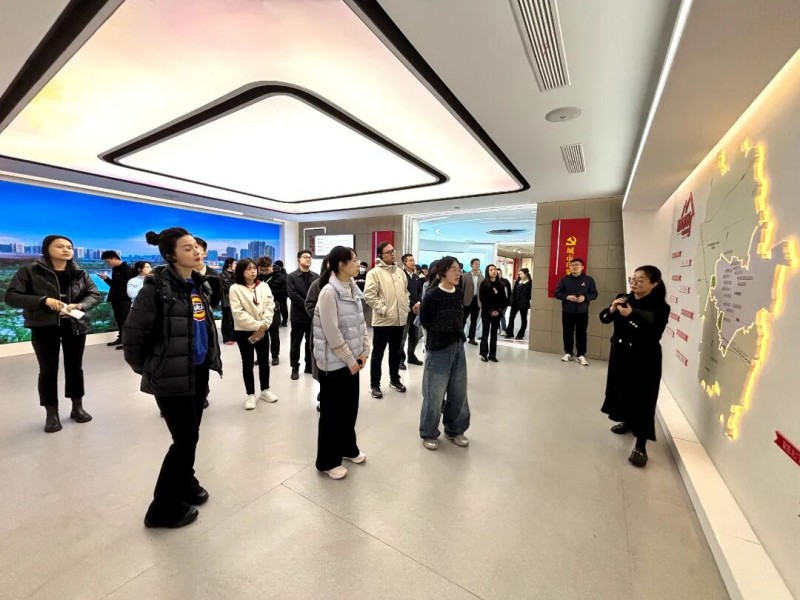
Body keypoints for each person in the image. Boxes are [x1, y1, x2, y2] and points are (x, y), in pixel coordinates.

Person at [122, 228, 222, 529]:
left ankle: (185, 483)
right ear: (171, 255)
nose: (197, 252)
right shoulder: (155, 289)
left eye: (197, 247)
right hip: (170, 374)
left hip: (197, 369)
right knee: (185, 438)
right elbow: (133, 337)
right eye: (188, 248)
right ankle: (161, 509)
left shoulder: (199, 284)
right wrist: (151, 369)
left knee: (191, 434)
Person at [5, 235, 102, 432]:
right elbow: (11, 296)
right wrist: (43, 301)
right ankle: (52, 413)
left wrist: (80, 305)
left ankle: (77, 407)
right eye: (60, 246)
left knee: (75, 368)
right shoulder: (30, 270)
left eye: (69, 247)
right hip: (43, 326)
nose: (66, 250)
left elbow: (94, 294)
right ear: (47, 249)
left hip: (74, 325)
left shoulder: (79, 272)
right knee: (48, 370)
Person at [600, 266, 670, 468]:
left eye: (640, 280)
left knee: (643, 399)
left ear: (654, 284)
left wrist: (631, 316)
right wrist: (612, 309)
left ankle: (641, 445)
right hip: (620, 355)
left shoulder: (660, 307)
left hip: (644, 358)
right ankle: (628, 422)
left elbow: (653, 335)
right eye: (633, 278)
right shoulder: (623, 298)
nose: (634, 283)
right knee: (621, 391)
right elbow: (604, 318)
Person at [312, 246, 370, 480]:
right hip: (334, 363)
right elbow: (331, 332)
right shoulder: (328, 292)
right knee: (332, 414)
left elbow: (361, 323)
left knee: (349, 409)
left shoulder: (353, 288)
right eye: (353, 260)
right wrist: (349, 359)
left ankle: (347, 448)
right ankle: (327, 461)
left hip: (353, 361)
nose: (358, 264)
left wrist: (364, 351)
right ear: (340, 265)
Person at [418, 256, 470, 450]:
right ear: (442, 273)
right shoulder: (432, 295)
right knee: (434, 394)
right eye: (453, 269)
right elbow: (425, 320)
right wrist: (441, 332)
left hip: (458, 347)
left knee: (459, 392)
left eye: (459, 269)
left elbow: (460, 318)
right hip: (438, 349)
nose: (458, 273)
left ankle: (455, 429)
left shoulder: (458, 294)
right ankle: (429, 432)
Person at [229, 259, 278, 410]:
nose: (253, 271)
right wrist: (259, 326)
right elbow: (238, 313)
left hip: (263, 329)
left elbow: (270, 306)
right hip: (244, 331)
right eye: (249, 269)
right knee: (247, 362)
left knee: (264, 361)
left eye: (254, 268)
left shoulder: (263, 286)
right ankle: (250, 394)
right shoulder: (235, 289)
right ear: (241, 271)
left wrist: (264, 325)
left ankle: (265, 390)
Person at [363, 242, 409, 398]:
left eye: (393, 251)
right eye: (388, 252)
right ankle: (374, 385)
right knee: (378, 354)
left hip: (399, 320)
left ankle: (394, 380)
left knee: (395, 353)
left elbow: (405, 292)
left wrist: (406, 305)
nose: (392, 254)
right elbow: (369, 296)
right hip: (383, 321)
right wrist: (383, 309)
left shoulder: (400, 272)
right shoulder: (374, 273)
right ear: (381, 255)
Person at [554, 258, 598, 366]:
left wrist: (585, 297)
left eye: (577, 265)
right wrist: (567, 297)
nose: (574, 267)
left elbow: (594, 294)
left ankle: (581, 355)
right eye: (572, 265)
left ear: (582, 267)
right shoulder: (564, 280)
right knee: (567, 333)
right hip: (567, 311)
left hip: (582, 312)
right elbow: (557, 293)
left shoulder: (588, 280)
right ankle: (568, 353)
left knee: (581, 334)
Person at [287, 249, 319, 380]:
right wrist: (308, 305)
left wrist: (312, 308)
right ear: (298, 259)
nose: (308, 259)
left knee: (310, 342)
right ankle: (294, 367)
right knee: (296, 343)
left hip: (312, 316)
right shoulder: (291, 276)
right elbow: (292, 295)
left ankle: (309, 366)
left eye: (310, 257)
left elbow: (319, 294)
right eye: (305, 257)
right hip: (298, 316)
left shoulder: (316, 276)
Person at [305, 256, 330, 412]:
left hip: (343, 334)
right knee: (323, 365)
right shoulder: (318, 284)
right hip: (321, 331)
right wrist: (325, 316)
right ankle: (324, 396)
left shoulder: (347, 284)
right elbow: (309, 304)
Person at [99, 250, 135, 349]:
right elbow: (115, 285)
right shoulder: (115, 269)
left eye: (108, 261)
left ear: (114, 258)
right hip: (116, 299)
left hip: (124, 300)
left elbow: (125, 287)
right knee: (119, 320)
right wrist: (105, 278)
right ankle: (121, 339)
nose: (108, 264)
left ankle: (128, 342)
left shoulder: (127, 269)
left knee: (125, 320)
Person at [478, 264, 507, 362]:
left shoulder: (500, 285)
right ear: (488, 271)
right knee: (485, 334)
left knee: (494, 335)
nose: (493, 271)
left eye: (494, 269)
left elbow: (504, 300)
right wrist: (490, 311)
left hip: (497, 313)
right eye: (491, 270)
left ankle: (492, 354)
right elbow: (483, 299)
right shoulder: (484, 284)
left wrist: (498, 310)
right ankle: (483, 354)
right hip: (487, 313)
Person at [399, 253, 423, 369]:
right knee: (402, 337)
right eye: (410, 260)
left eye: (413, 260)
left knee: (415, 336)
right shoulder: (400, 276)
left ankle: (411, 356)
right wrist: (411, 305)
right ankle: (400, 360)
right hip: (405, 310)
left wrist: (418, 303)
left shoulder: (416, 276)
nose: (413, 262)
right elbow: (401, 293)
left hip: (415, 311)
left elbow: (419, 292)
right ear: (404, 263)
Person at [257, 257, 282, 365]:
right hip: (259, 309)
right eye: (261, 270)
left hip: (274, 308)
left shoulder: (280, 276)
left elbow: (284, 292)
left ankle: (275, 356)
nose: (263, 272)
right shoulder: (258, 277)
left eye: (266, 270)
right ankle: (261, 356)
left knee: (274, 334)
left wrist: (268, 293)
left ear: (271, 266)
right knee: (260, 334)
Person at [461, 258, 483, 345]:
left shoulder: (481, 277)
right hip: (466, 300)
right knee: (463, 319)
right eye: (476, 264)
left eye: (478, 264)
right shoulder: (465, 276)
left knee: (474, 320)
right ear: (471, 265)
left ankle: (472, 338)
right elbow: (462, 289)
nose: (477, 265)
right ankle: (461, 337)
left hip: (477, 301)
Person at [505, 268, 531, 339]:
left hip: (523, 304)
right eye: (519, 274)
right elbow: (513, 291)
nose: (520, 275)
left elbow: (530, 294)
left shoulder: (530, 283)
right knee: (511, 318)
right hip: (515, 303)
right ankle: (509, 333)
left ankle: (520, 334)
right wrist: (512, 300)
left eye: (521, 274)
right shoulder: (518, 281)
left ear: (526, 274)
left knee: (523, 319)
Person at [219, 257, 236, 345]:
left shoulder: (235, 274)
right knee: (227, 319)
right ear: (230, 264)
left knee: (234, 319)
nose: (236, 265)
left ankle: (233, 336)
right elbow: (229, 287)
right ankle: (227, 338)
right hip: (227, 300)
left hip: (235, 300)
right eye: (235, 263)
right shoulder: (223, 275)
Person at [272, 259, 290, 327]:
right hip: (279, 294)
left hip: (281, 294)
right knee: (280, 308)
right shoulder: (284, 273)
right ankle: (281, 321)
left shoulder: (283, 274)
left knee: (283, 308)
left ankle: (284, 321)